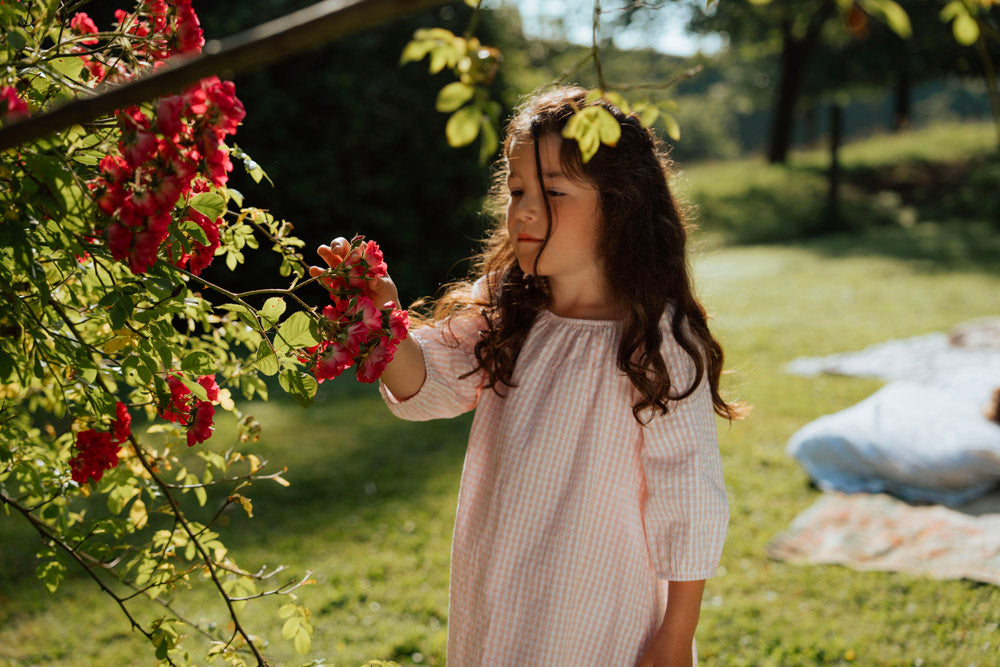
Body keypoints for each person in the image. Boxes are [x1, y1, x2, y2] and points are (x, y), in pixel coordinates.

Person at [310, 86, 745, 666]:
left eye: (554, 191)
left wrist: (675, 634)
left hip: (595, 613)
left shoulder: (655, 344)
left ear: (621, 205)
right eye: (517, 190)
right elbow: (429, 382)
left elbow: (687, 500)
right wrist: (379, 320)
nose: (526, 210)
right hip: (495, 595)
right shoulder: (508, 312)